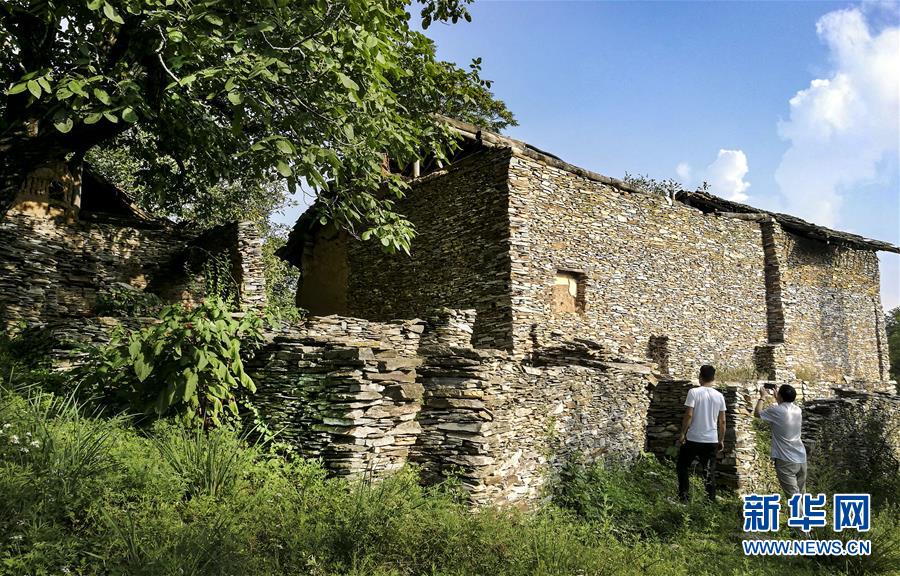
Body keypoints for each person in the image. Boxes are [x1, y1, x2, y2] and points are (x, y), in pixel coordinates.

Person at [677, 364, 726, 502]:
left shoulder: (694, 392)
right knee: (709, 470)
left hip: (693, 438)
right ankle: (710, 500)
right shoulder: (719, 396)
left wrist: (682, 433)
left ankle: (684, 497)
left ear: (700, 377)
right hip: (711, 439)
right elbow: (722, 421)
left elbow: (689, 415)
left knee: (682, 466)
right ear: (713, 378)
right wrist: (721, 440)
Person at [754, 383, 807, 497]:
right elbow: (784, 410)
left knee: (793, 497)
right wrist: (779, 399)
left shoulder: (776, 410)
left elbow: (757, 413)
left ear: (781, 397)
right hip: (801, 457)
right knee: (801, 494)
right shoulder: (797, 410)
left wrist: (762, 397)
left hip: (785, 459)